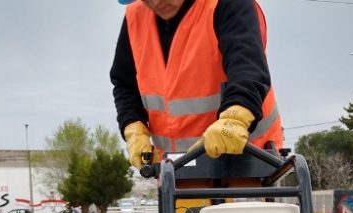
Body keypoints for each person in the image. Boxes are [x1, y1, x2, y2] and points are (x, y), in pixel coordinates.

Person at [110, 0, 284, 168]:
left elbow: (247, 67)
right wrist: (133, 125)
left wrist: (235, 118)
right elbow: (124, 83)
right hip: (179, 172)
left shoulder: (225, 4)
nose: (155, 2)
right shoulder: (135, 17)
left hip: (251, 164)